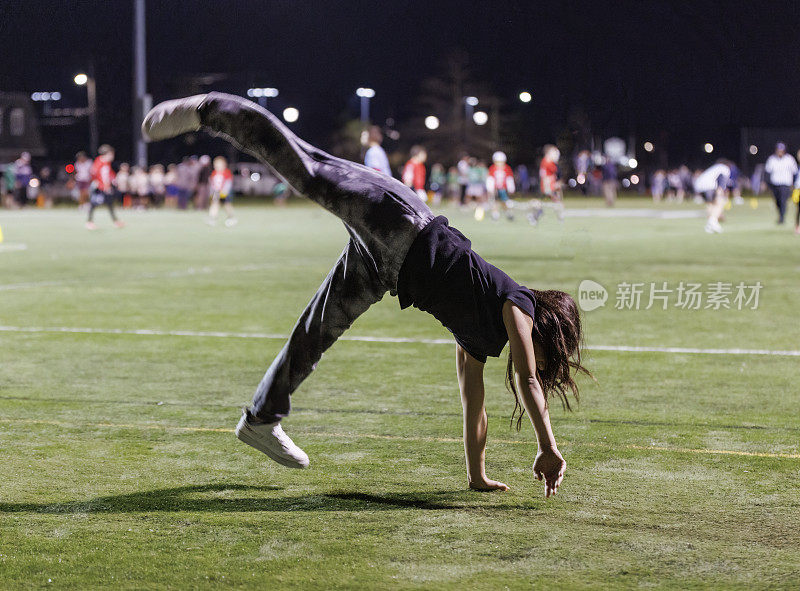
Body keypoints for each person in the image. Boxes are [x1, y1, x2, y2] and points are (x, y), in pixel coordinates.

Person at [143, 92, 589, 496]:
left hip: (386, 270)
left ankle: (261, 417)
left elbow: (475, 406)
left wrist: (476, 477)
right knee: (310, 170)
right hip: (402, 222)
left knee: (317, 330)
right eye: (557, 352)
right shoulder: (520, 305)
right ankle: (211, 110)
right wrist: (548, 447)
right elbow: (529, 381)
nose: (550, 366)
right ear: (549, 329)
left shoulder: (483, 342)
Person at [86, 144, 124, 230]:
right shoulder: (103, 163)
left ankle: (115, 221)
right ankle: (89, 222)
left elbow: (108, 174)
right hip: (99, 187)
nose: (113, 156)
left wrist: (114, 180)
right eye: (112, 154)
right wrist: (106, 186)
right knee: (94, 204)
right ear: (107, 154)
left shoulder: (100, 161)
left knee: (109, 203)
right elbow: (103, 176)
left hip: (100, 186)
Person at [694, 159, 732, 234]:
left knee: (710, 204)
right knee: (720, 202)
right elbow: (722, 179)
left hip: (698, 185)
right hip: (709, 185)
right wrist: (720, 191)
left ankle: (709, 225)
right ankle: (713, 221)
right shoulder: (724, 168)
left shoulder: (714, 168)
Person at [764, 142, 797, 225]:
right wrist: (766, 183)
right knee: (777, 201)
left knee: (783, 201)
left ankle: (782, 218)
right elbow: (767, 172)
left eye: (781, 150)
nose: (780, 152)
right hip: (775, 184)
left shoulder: (790, 159)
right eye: (778, 150)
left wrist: (794, 183)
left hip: (786, 184)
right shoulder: (771, 159)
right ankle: (781, 214)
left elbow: (795, 172)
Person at [207, 155, 237, 227]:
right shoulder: (214, 172)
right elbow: (212, 182)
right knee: (214, 204)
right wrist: (212, 191)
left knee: (227, 205)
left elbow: (229, 182)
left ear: (224, 164)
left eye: (219, 164)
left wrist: (225, 190)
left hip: (224, 192)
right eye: (216, 164)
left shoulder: (227, 172)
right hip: (216, 192)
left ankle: (231, 217)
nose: (217, 166)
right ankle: (212, 218)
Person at [486, 151, 515, 221]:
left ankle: (508, 213)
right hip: (495, 188)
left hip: (503, 188)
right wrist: (490, 188)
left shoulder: (507, 168)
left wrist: (511, 188)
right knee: (494, 201)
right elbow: (490, 179)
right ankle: (495, 214)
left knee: (504, 201)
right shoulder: (492, 168)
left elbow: (509, 178)